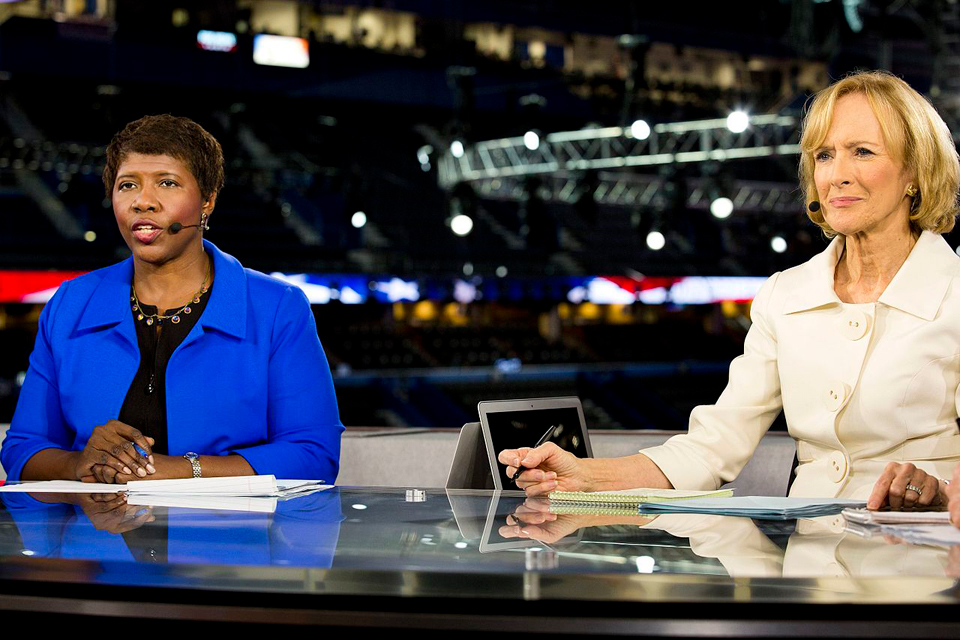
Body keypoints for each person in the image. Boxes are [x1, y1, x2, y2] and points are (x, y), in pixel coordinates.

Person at [500, 71, 960, 508]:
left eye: (862, 152)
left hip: (925, 557)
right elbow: (714, 446)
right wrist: (584, 476)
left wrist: (939, 490)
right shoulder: (785, 294)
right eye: (823, 155)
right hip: (810, 565)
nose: (836, 174)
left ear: (914, 171)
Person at [1, 115, 343, 484]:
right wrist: (80, 464)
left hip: (230, 539)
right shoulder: (70, 304)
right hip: (94, 536)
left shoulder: (277, 308)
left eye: (167, 183)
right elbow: (23, 447)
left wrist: (181, 471)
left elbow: (313, 453)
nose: (143, 202)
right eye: (128, 185)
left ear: (207, 200)